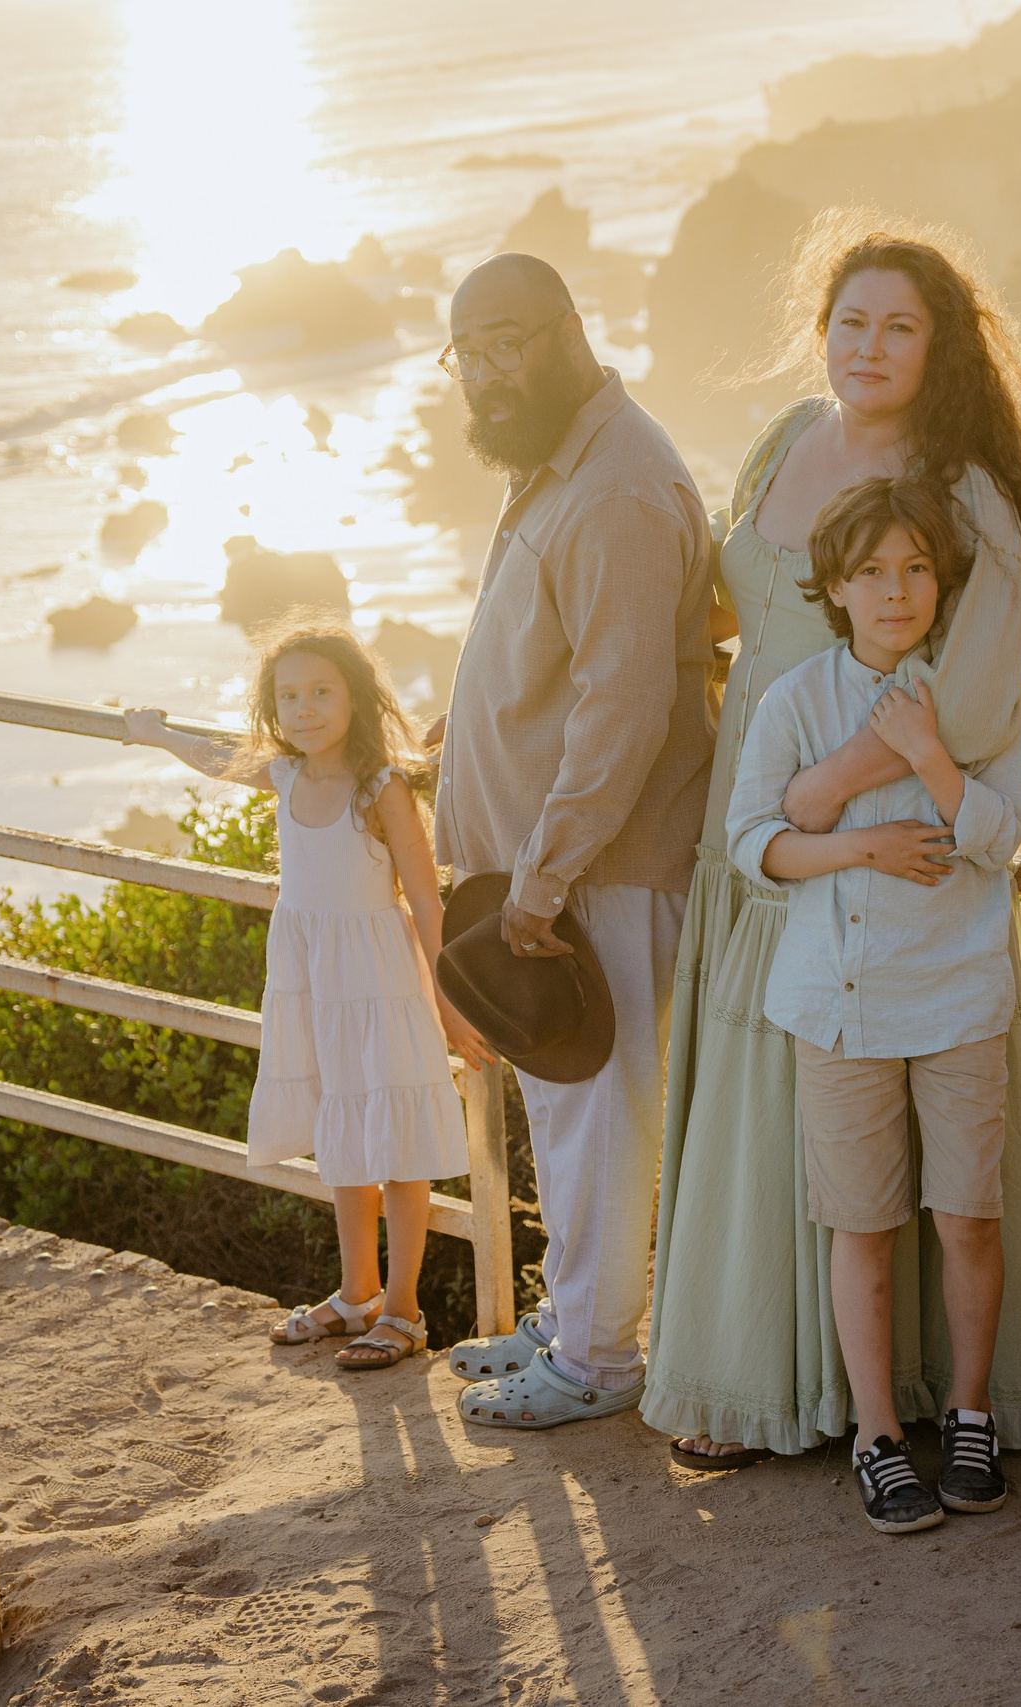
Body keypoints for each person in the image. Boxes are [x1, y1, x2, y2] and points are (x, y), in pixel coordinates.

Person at [642, 211, 1021, 1469]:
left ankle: (908, 1412)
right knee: (765, 1109)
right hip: (759, 826)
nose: (870, 345)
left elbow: (970, 694)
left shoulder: (965, 493)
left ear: (941, 346)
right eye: (851, 321)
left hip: (875, 845)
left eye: (900, 325)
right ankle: (745, 1383)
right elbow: (730, 612)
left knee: (888, 1130)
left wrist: (825, 786)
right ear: (821, 331)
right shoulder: (786, 439)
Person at [425, 251, 717, 1429]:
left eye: (510, 342)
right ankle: (575, 1316)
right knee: (566, 1097)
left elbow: (623, 710)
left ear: (568, 328)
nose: (490, 373)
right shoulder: (567, 463)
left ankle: (598, 1359)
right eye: (469, 353)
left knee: (603, 1112)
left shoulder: (615, 489)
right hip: (549, 871)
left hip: (600, 869)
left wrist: (542, 881)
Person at [728, 477, 1021, 1533]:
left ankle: (972, 1414)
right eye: (871, 573)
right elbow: (752, 841)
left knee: (968, 1219)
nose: (895, 591)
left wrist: (931, 757)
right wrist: (863, 840)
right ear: (836, 590)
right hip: (837, 1004)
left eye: (915, 569)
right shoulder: (794, 700)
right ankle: (876, 1438)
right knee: (863, 1224)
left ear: (939, 584)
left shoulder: (976, 693)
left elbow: (1000, 836)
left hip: (957, 996)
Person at [125, 618, 495, 1371]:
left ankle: (403, 1310)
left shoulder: (382, 786)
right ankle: (355, 1294)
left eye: (322, 691)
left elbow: (428, 905)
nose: (305, 709)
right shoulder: (287, 774)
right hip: (317, 982)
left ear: (356, 697)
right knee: (343, 1137)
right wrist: (155, 733)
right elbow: (215, 757)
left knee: (393, 1143)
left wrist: (452, 1001)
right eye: (288, 695)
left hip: (381, 982)